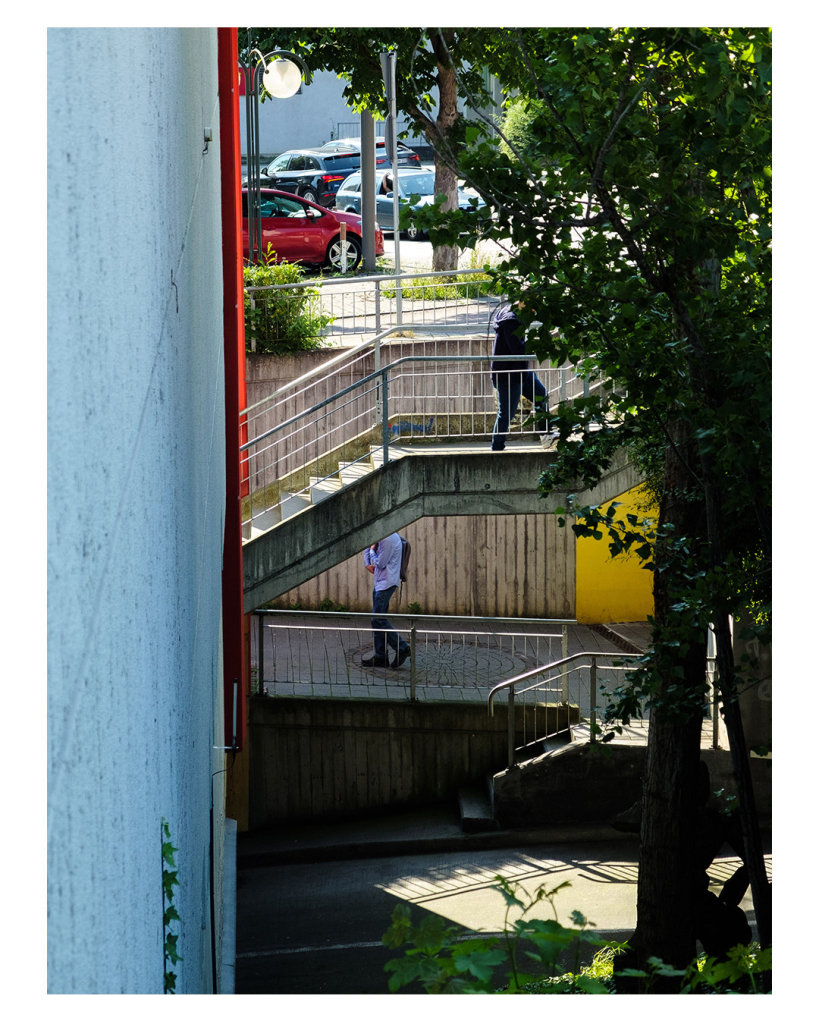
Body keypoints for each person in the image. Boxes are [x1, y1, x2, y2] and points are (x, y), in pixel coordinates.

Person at [490, 301, 550, 451]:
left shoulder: (511, 312)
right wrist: (537, 345)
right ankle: (496, 448)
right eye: (535, 306)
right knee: (506, 414)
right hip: (508, 374)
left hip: (520, 371)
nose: (535, 311)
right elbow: (517, 349)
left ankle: (547, 436)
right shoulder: (511, 320)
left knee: (541, 396)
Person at [362, 534, 412, 668]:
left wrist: (372, 551)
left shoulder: (388, 540)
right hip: (380, 582)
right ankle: (380, 656)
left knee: (378, 620)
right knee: (377, 619)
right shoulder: (381, 534)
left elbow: (380, 563)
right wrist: (367, 563)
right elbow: (367, 544)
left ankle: (402, 648)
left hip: (387, 583)